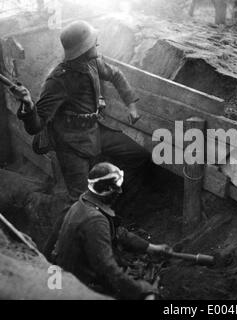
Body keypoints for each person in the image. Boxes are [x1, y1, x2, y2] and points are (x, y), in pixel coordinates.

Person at [10, 20, 150, 256]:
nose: (98, 43)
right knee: (80, 202)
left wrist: (132, 104)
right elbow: (36, 126)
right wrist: (27, 104)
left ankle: (110, 215)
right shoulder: (59, 80)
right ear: (84, 48)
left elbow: (116, 75)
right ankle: (51, 251)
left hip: (95, 131)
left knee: (139, 155)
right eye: (93, 41)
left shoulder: (94, 62)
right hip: (70, 143)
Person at [54, 162, 171, 300]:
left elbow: (118, 232)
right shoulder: (95, 221)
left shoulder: (83, 204)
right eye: (117, 189)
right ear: (107, 190)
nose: (119, 192)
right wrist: (142, 290)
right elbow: (107, 268)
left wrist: (150, 248)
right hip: (81, 287)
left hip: (71, 276)